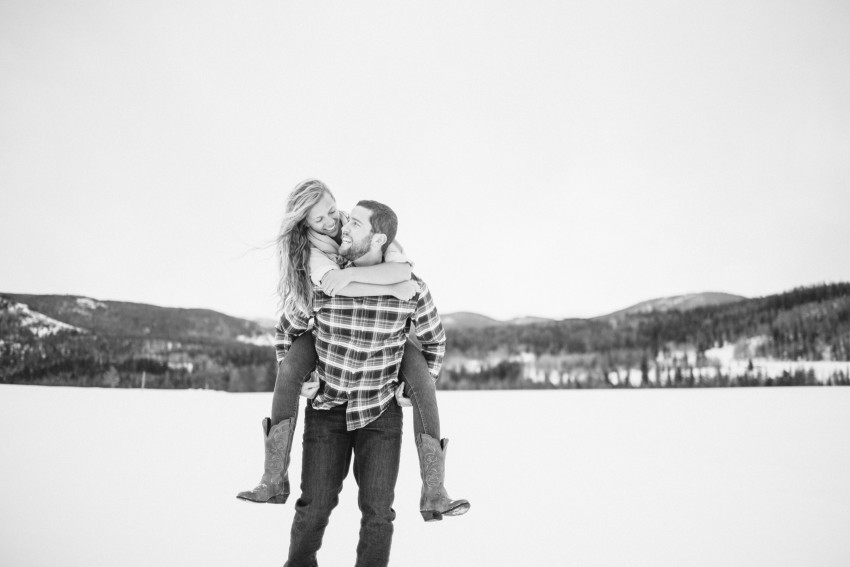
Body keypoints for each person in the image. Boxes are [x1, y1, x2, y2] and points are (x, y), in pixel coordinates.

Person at [237, 179, 468, 523]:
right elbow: (330, 290)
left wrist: (401, 280)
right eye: (319, 220)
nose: (332, 222)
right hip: (324, 335)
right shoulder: (313, 255)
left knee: (422, 376)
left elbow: (401, 265)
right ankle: (273, 478)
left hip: (384, 344)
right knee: (289, 368)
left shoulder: (354, 224)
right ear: (305, 225)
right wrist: (386, 286)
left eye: (332, 211)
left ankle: (434, 490)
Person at [278, 200, 458, 566]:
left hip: (380, 415)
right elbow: (286, 331)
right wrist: (299, 379)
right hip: (328, 409)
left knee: (378, 513)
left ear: (379, 239)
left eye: (355, 224)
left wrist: (418, 385)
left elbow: (434, 341)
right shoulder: (324, 280)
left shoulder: (412, 289)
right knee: (314, 507)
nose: (344, 226)